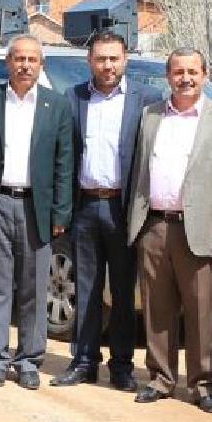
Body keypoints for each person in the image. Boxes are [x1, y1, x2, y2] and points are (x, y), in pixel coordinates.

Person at [125, 48, 212, 413]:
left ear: (205, 75)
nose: (185, 78)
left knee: (202, 310)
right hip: (155, 225)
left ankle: (204, 385)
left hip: (202, 229)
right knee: (157, 309)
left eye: (192, 71)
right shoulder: (151, 116)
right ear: (168, 76)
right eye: (178, 72)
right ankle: (160, 378)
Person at [53, 30, 162, 392]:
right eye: (101, 59)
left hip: (123, 208)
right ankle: (84, 361)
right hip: (85, 205)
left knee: (122, 290)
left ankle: (122, 366)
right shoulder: (74, 98)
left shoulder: (147, 100)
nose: (108, 65)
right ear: (90, 61)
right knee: (86, 288)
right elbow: (66, 154)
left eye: (114, 58)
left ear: (125, 59)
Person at [0, 35, 73, 390]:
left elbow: (64, 162)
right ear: (8, 62)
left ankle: (29, 360)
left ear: (41, 65)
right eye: (19, 59)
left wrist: (61, 213)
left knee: (34, 287)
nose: (25, 65)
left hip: (38, 207)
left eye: (32, 60)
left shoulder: (56, 105)